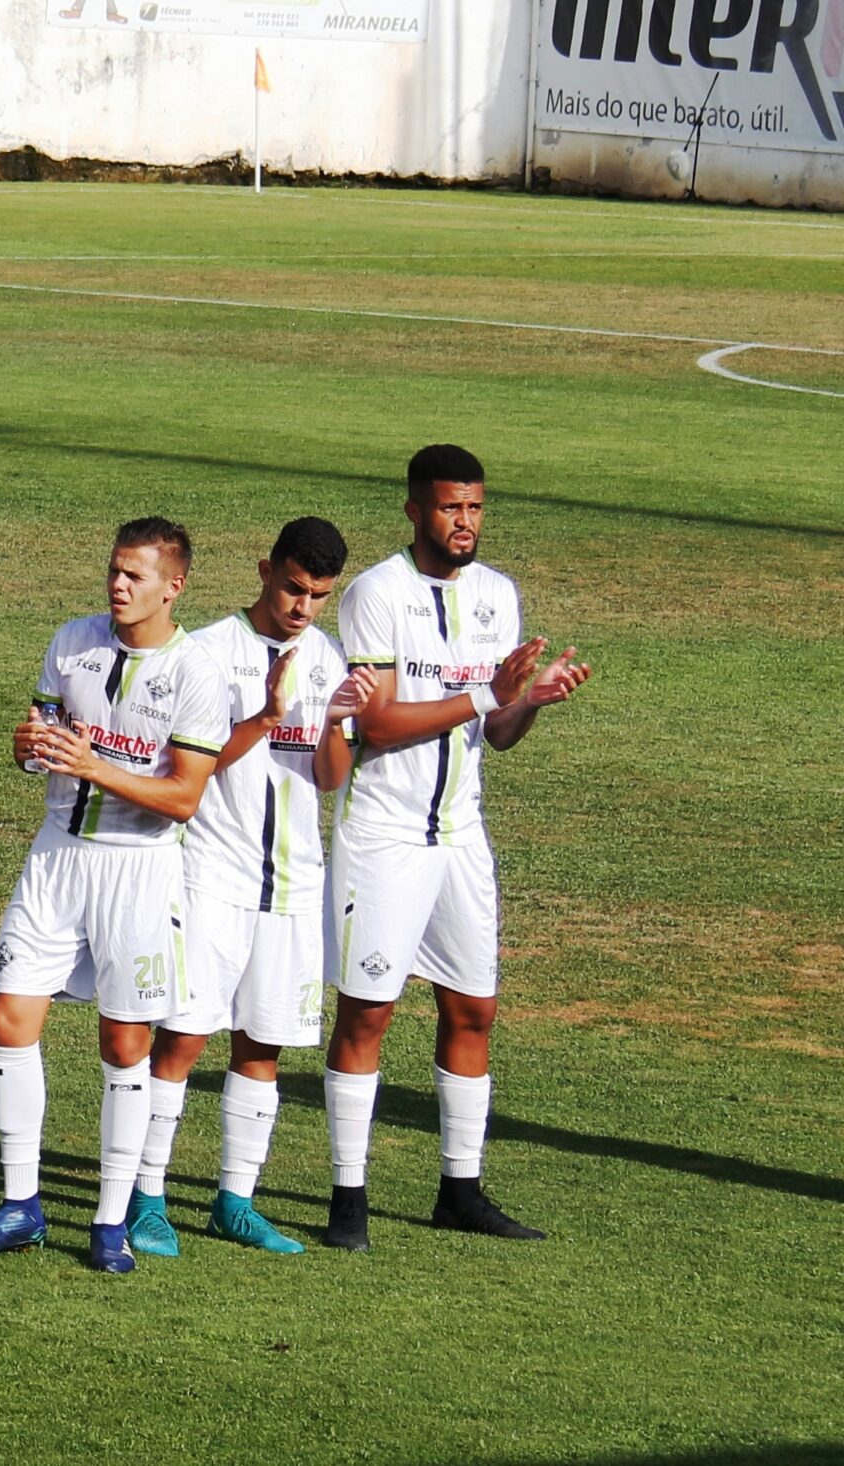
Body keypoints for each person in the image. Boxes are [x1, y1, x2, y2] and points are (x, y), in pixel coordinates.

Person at [322, 446, 590, 1250]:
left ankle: (460, 1190)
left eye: (473, 507)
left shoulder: (498, 594)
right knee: (368, 1014)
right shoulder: (376, 594)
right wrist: (484, 693)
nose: (464, 522)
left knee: (473, 1009)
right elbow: (376, 723)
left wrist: (529, 702)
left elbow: (496, 732)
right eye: (449, 507)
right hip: (385, 836)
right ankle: (348, 1201)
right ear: (415, 511)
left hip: (461, 837)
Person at [0, 517, 226, 1274]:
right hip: (57, 857)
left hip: (139, 871)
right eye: (114, 570)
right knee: (8, 1019)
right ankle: (20, 1204)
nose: (118, 585)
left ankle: (110, 1221)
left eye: (135, 575)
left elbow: (184, 797)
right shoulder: (72, 641)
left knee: (124, 1042)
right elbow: (44, 736)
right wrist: (27, 749)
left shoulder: (197, 674)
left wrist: (96, 766)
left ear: (173, 587)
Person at [123, 517, 370, 1259]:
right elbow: (188, 772)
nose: (303, 607)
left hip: (294, 884)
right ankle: (145, 1199)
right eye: (293, 589)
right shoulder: (206, 654)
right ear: (266, 570)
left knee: (263, 1045)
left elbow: (329, 779)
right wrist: (263, 717)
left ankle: (236, 1201)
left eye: (318, 596)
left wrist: (333, 725)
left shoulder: (327, 657)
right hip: (213, 877)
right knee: (183, 1039)